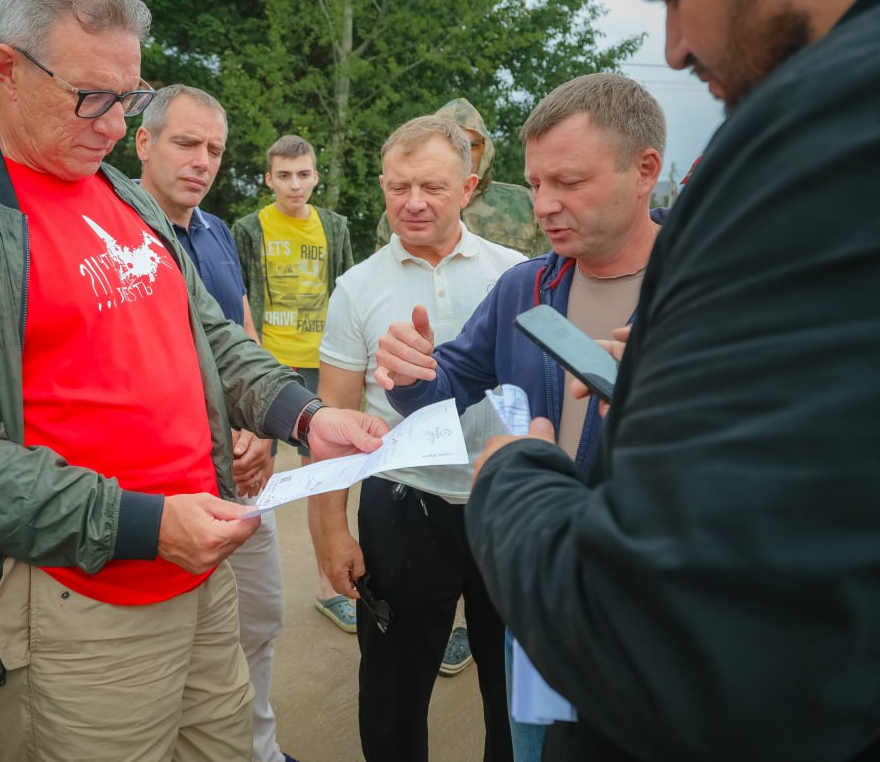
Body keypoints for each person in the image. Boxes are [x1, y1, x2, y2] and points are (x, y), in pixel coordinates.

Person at [0, 0, 386, 762]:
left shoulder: (123, 195)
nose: (114, 126)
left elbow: (212, 335)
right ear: (7, 69)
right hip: (81, 602)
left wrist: (304, 415)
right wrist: (146, 525)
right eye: (92, 97)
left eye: (129, 98)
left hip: (201, 576)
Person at [466, 0, 880, 759]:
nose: (672, 49)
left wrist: (510, 475)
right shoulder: (526, 286)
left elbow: (663, 637)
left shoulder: (828, 145)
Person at [374, 74, 666, 761]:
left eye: (568, 182)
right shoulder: (525, 288)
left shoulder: (713, 292)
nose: (543, 206)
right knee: (533, 747)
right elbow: (449, 383)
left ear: (645, 169)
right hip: (541, 597)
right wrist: (411, 373)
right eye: (535, 184)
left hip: (652, 609)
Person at [313, 115, 525, 762]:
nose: (413, 202)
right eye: (398, 186)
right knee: (392, 693)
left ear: (469, 186)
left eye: (432, 186)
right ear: (382, 185)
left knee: (514, 691)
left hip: (504, 507)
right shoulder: (356, 287)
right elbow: (333, 416)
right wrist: (331, 530)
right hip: (402, 506)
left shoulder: (516, 275)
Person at [135, 84, 296, 762]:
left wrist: (263, 430)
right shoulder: (115, 233)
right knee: (173, 649)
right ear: (143, 142)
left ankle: (259, 748)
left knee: (260, 618)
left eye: (215, 149)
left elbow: (242, 333)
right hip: (169, 484)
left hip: (246, 471)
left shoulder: (218, 232)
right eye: (185, 143)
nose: (202, 161)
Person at [232, 135, 358, 634]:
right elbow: (237, 298)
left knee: (320, 482)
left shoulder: (335, 226)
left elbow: (347, 293)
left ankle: (329, 589)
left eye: (303, 174)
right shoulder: (248, 229)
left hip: (322, 366)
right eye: (284, 175)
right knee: (249, 475)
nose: (294, 184)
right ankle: (235, 590)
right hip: (264, 369)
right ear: (269, 179)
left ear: (315, 176)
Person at [376, 98, 549, 260]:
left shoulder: (524, 204)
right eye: (454, 146)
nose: (466, 154)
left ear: (486, 148)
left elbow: (550, 269)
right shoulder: (403, 215)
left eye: (472, 145)